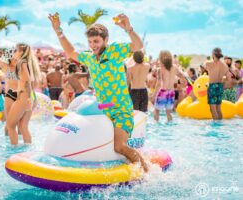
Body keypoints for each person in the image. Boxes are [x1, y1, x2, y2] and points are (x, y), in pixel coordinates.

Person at [48, 13, 148, 172]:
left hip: (120, 109)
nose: (92, 45)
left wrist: (128, 28)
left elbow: (137, 46)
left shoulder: (114, 51)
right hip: (102, 108)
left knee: (119, 146)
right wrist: (58, 31)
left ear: (105, 40)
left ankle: (146, 172)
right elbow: (71, 52)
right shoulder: (90, 58)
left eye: (96, 41)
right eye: (90, 42)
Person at [152, 50, 185, 122]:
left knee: (156, 111)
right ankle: (170, 126)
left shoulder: (160, 69)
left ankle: (157, 128)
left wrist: (154, 95)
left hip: (163, 91)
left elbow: (158, 83)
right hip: (171, 92)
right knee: (168, 113)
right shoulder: (175, 67)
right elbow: (181, 75)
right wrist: (182, 83)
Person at [204, 48, 230, 120]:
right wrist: (222, 79)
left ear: (213, 54)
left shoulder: (209, 63)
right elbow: (228, 78)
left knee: (213, 109)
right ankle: (220, 125)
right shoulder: (224, 65)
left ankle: (216, 127)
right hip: (220, 86)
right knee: (218, 109)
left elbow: (204, 66)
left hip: (212, 86)